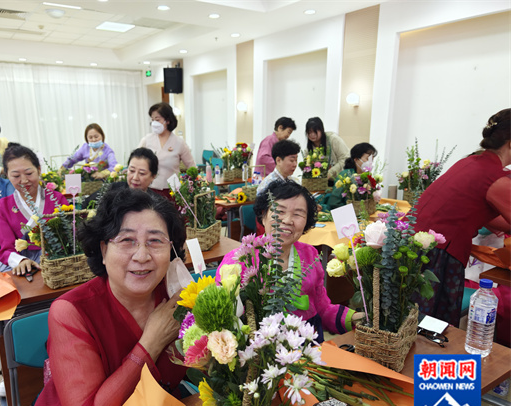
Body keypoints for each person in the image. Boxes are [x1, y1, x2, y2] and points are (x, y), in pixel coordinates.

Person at [29, 188, 187, 406]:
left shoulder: (176, 297)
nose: (142, 256)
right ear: (103, 250)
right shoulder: (70, 312)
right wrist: (151, 343)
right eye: (127, 240)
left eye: (155, 241)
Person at [217, 180, 363, 342]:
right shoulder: (238, 261)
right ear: (263, 216)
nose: (287, 220)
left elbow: (322, 309)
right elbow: (223, 319)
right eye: (279, 211)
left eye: (298, 214)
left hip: (306, 348)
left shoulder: (310, 255)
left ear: (306, 222)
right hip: (257, 350)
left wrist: (356, 318)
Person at [413, 108, 511, 327]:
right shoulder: (494, 177)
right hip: (438, 255)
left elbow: (479, 215)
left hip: (418, 246)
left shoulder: (471, 162)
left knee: (413, 322)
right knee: (432, 325)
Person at [0, 144, 68, 275]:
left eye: (29, 173)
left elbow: (70, 237)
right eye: (16, 176)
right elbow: (6, 248)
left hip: (56, 259)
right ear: (7, 175)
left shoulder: (57, 199)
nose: (24, 180)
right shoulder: (3, 206)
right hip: (21, 262)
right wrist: (21, 261)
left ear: (39, 170)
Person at [139, 102, 196, 197]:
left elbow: (192, 167)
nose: (154, 123)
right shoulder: (147, 140)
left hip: (173, 191)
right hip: (151, 189)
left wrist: (190, 186)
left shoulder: (179, 142)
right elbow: (136, 160)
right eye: (152, 120)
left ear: (168, 121)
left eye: (157, 119)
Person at [320, 142, 378, 211]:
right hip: (344, 212)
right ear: (356, 159)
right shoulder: (346, 175)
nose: (370, 163)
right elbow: (334, 202)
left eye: (372, 160)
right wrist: (352, 210)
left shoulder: (366, 177)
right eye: (367, 159)